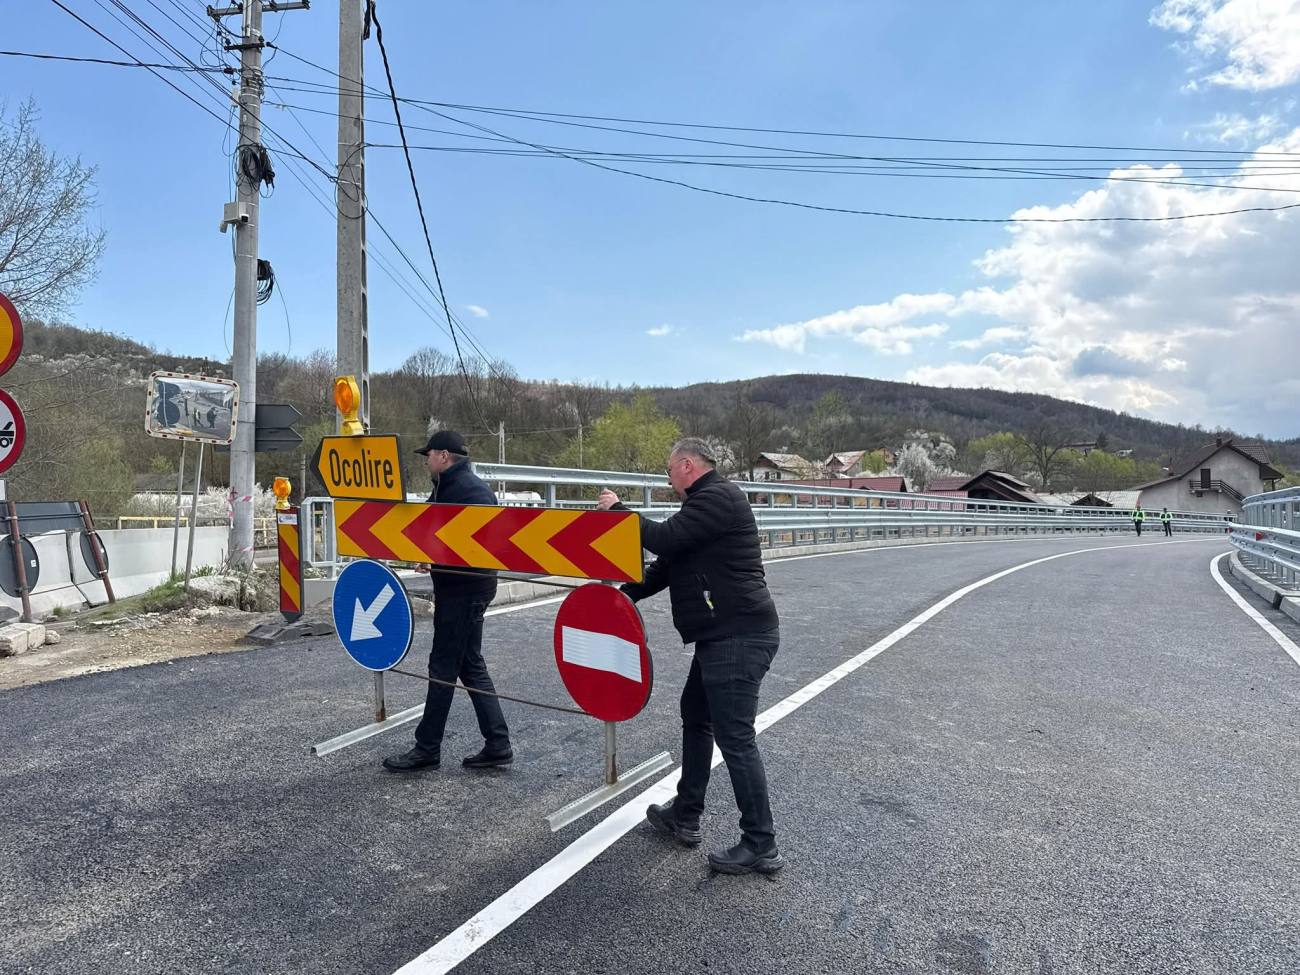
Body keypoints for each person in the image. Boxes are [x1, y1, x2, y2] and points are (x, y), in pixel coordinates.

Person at [597, 437, 784, 875]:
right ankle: (686, 813)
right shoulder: (701, 508)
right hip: (722, 636)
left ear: (686, 465)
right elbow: (667, 566)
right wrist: (620, 601)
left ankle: (761, 843)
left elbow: (664, 539)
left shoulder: (719, 497)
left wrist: (619, 510)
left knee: (734, 738)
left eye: (668, 470)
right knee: (696, 717)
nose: (667, 478)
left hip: (739, 636)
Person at [383, 430, 513, 773]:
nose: (425, 460)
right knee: (470, 664)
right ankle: (497, 743)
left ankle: (427, 749)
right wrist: (428, 552)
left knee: (442, 668)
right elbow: (433, 526)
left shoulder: (471, 492)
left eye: (428, 454)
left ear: (443, 455)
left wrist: (438, 552)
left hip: (464, 591)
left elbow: (479, 544)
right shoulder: (447, 487)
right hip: (460, 588)